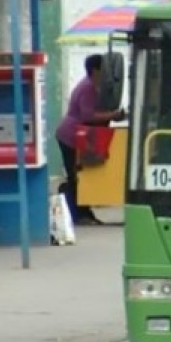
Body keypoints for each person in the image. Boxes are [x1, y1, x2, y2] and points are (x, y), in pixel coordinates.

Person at [55, 54, 126, 225]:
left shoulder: (94, 86)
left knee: (82, 174)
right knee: (75, 175)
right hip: (71, 136)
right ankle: (77, 214)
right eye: (104, 69)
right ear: (96, 70)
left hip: (80, 136)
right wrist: (113, 115)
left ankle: (83, 212)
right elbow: (87, 115)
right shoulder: (87, 88)